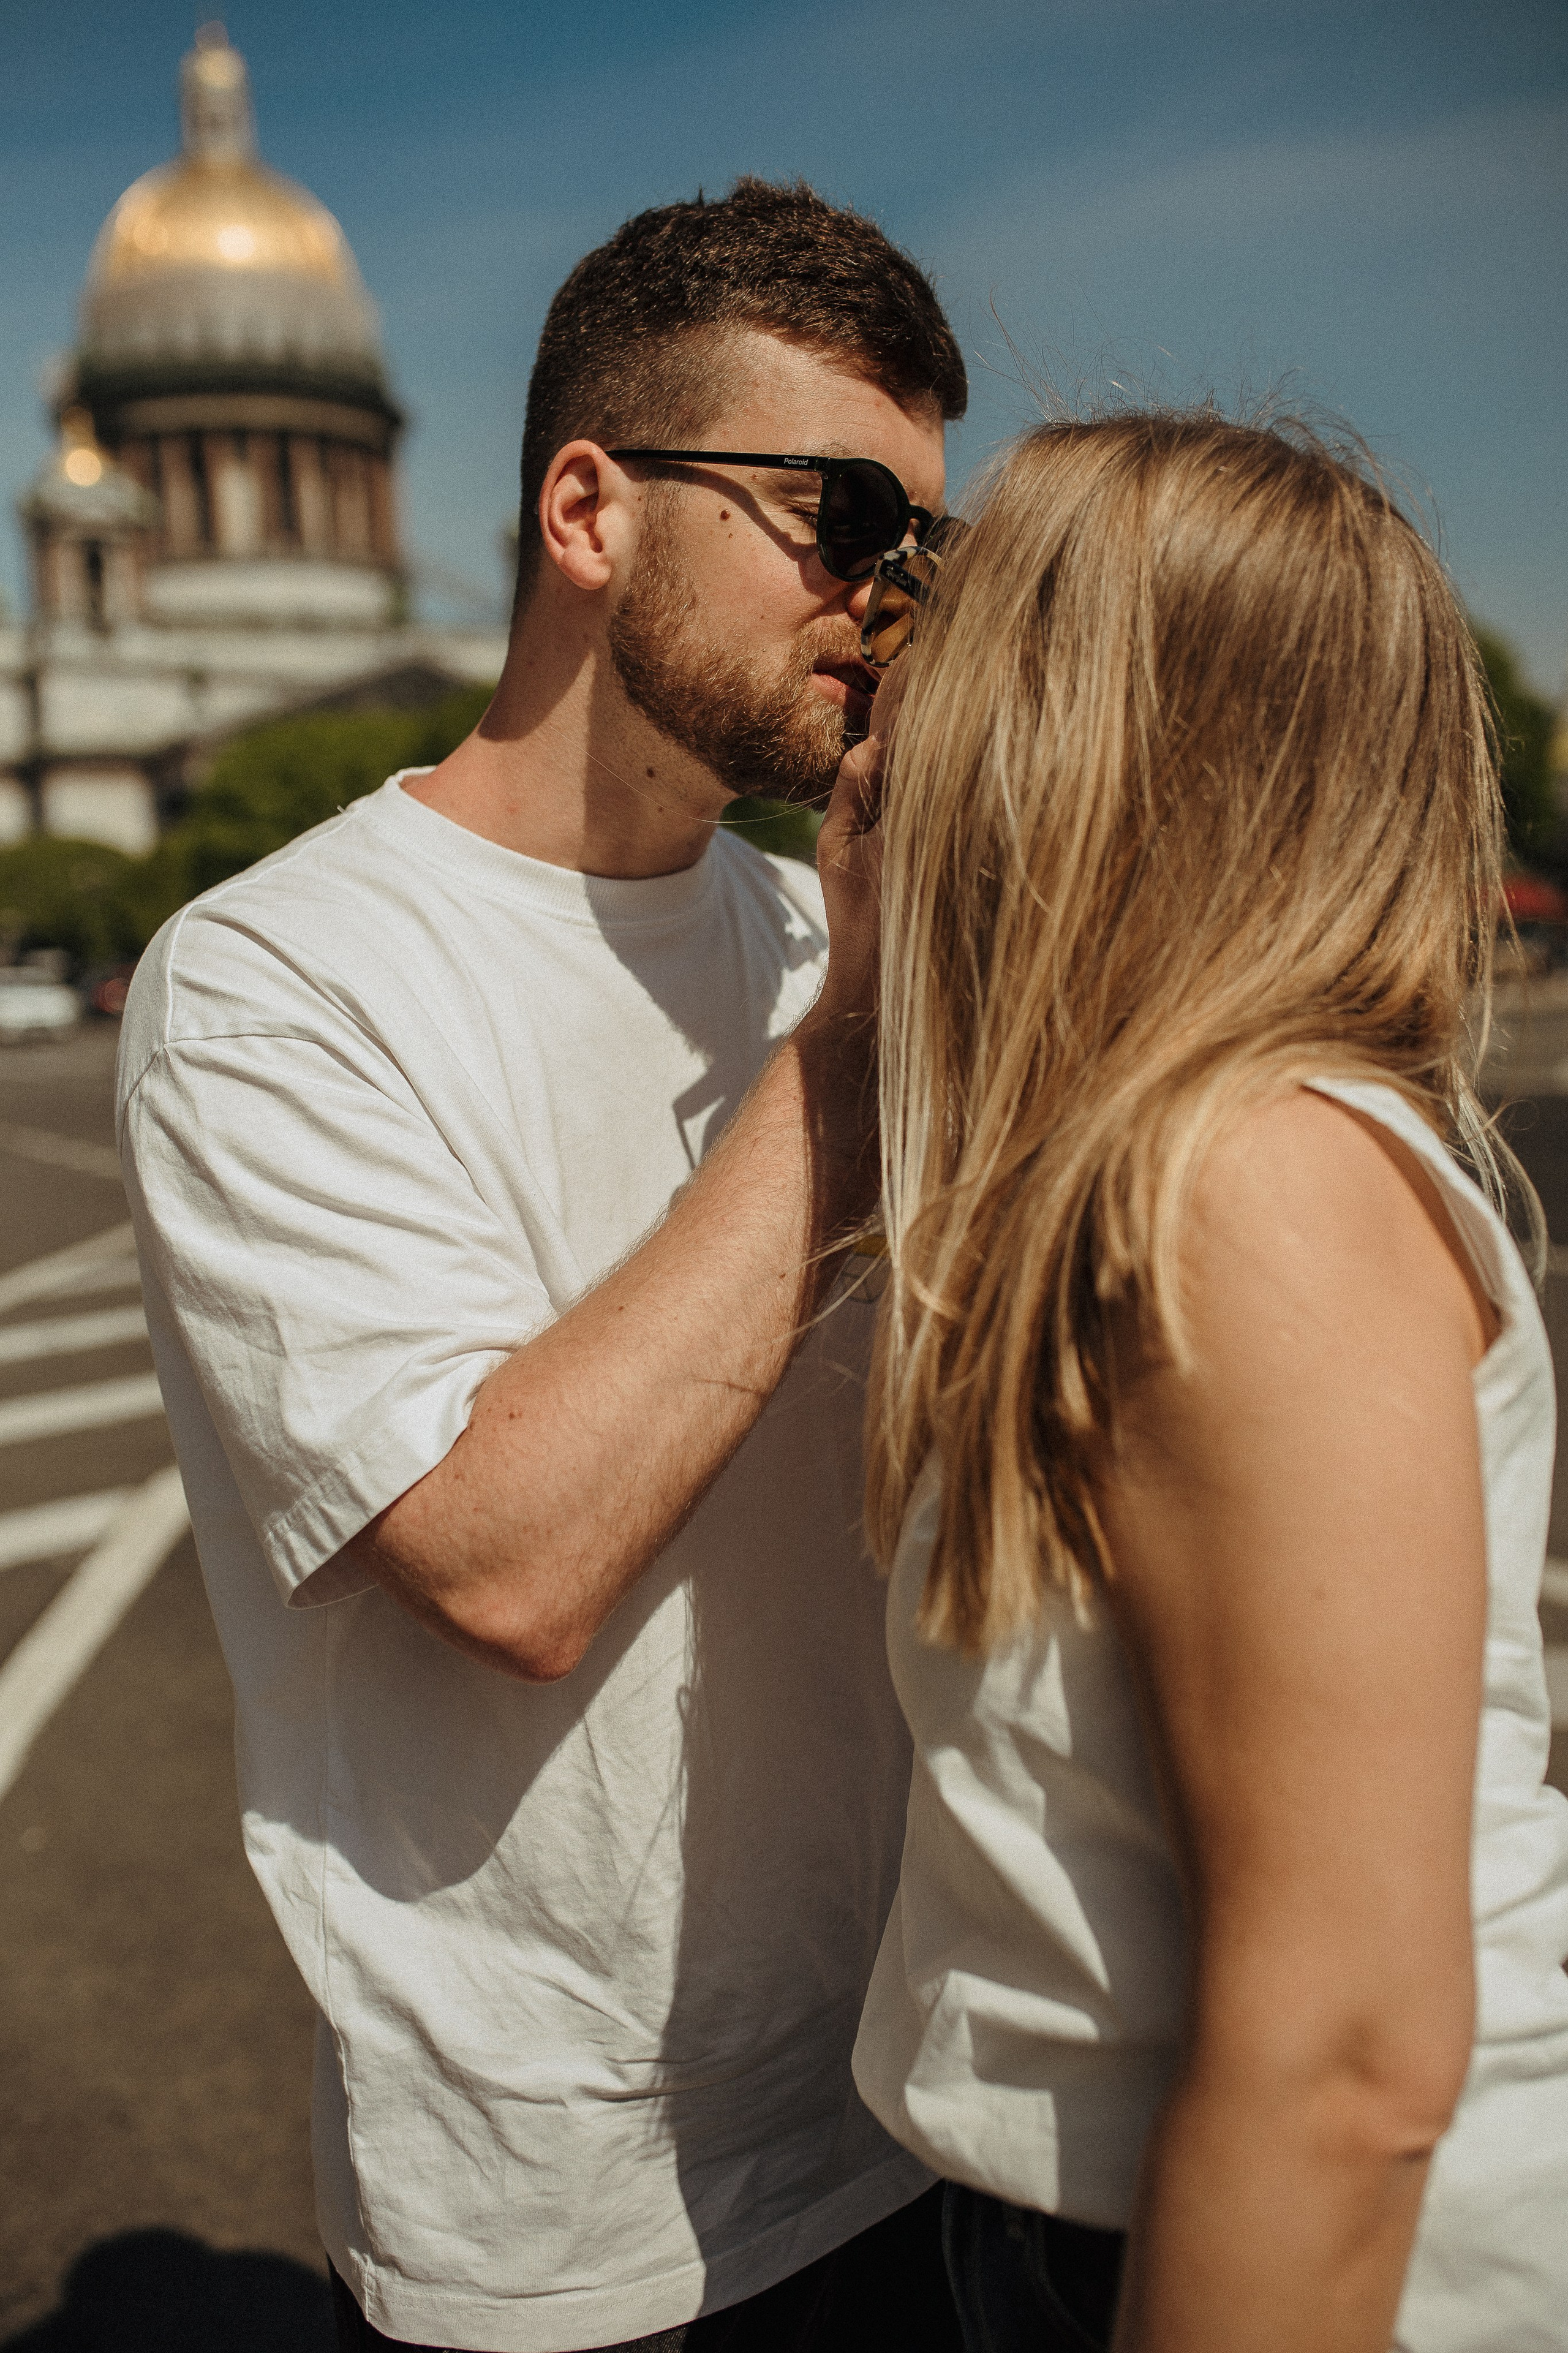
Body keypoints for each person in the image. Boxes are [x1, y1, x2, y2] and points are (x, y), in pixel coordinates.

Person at [116, 179, 968, 2353]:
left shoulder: (818, 925)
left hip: (911, 2108)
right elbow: (507, 1563)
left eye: (928, 545)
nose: (890, 598)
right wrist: (852, 1045)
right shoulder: (271, 981)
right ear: (589, 510)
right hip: (568, 2229)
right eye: (845, 516)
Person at [850, 413, 1568, 2351]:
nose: (885, 689)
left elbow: (1345, 2060)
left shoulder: (1251, 1179)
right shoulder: (1172, 1154)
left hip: (1305, 2262)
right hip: (1108, 2214)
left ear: (1096, 737)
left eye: (947, 627)